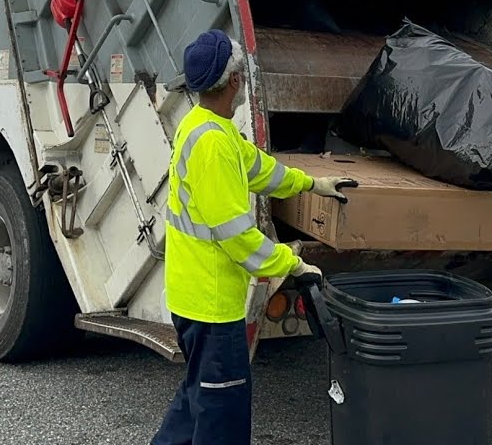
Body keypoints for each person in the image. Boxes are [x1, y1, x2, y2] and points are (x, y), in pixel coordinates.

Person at [152, 29, 357, 445]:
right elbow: (238, 238)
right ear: (233, 82)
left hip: (195, 297)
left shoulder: (207, 126)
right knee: (221, 416)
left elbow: (261, 169)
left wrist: (313, 184)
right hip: (211, 306)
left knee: (197, 400)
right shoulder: (212, 145)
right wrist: (293, 263)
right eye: (242, 74)